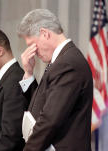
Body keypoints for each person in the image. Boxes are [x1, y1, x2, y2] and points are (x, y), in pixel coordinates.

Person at [17, 9, 93, 151]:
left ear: (45, 34)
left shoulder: (67, 63)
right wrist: (28, 73)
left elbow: (49, 120)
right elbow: (41, 106)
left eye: (32, 44)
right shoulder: (60, 61)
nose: (33, 51)